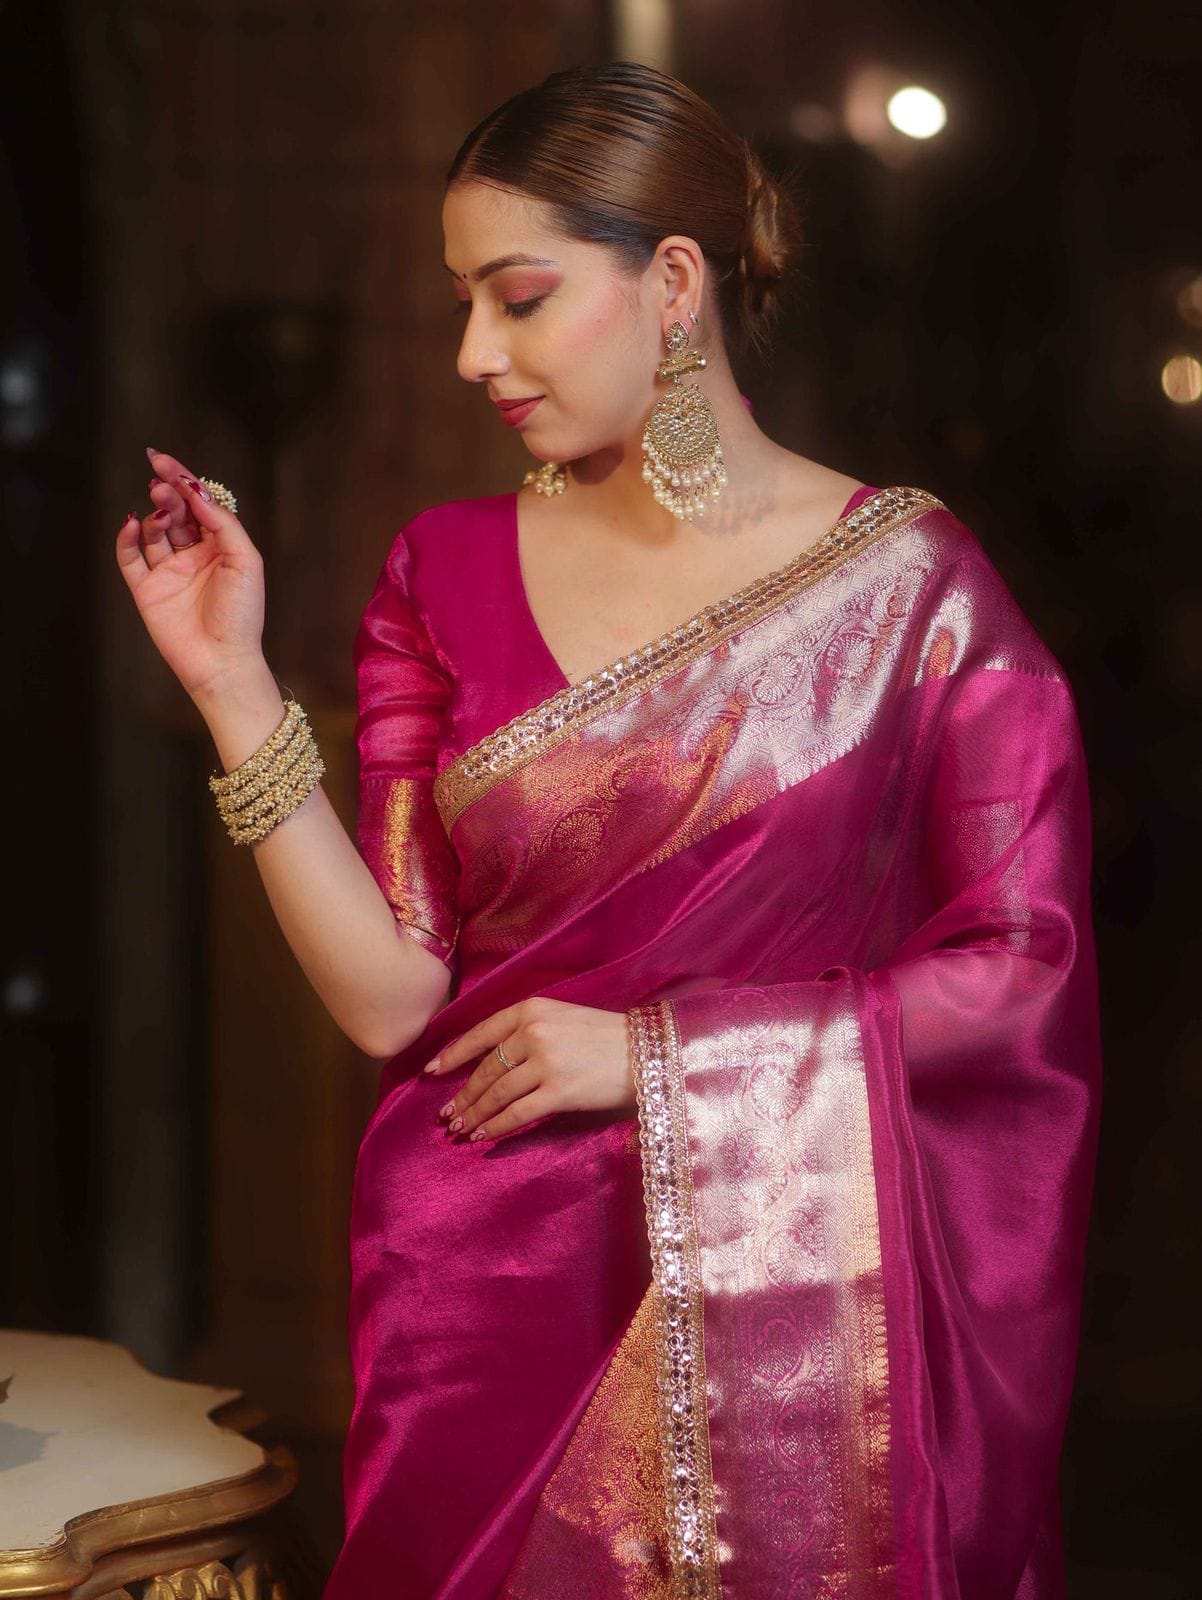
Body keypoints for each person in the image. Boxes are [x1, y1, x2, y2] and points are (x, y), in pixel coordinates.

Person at [115, 60, 1101, 1600]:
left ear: (675, 284)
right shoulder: (437, 570)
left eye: (514, 297)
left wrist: (651, 1054)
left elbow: (1021, 966)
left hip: (791, 1278)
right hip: (476, 1283)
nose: (467, 352)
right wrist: (231, 683)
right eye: (458, 302)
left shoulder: (912, 592)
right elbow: (391, 993)